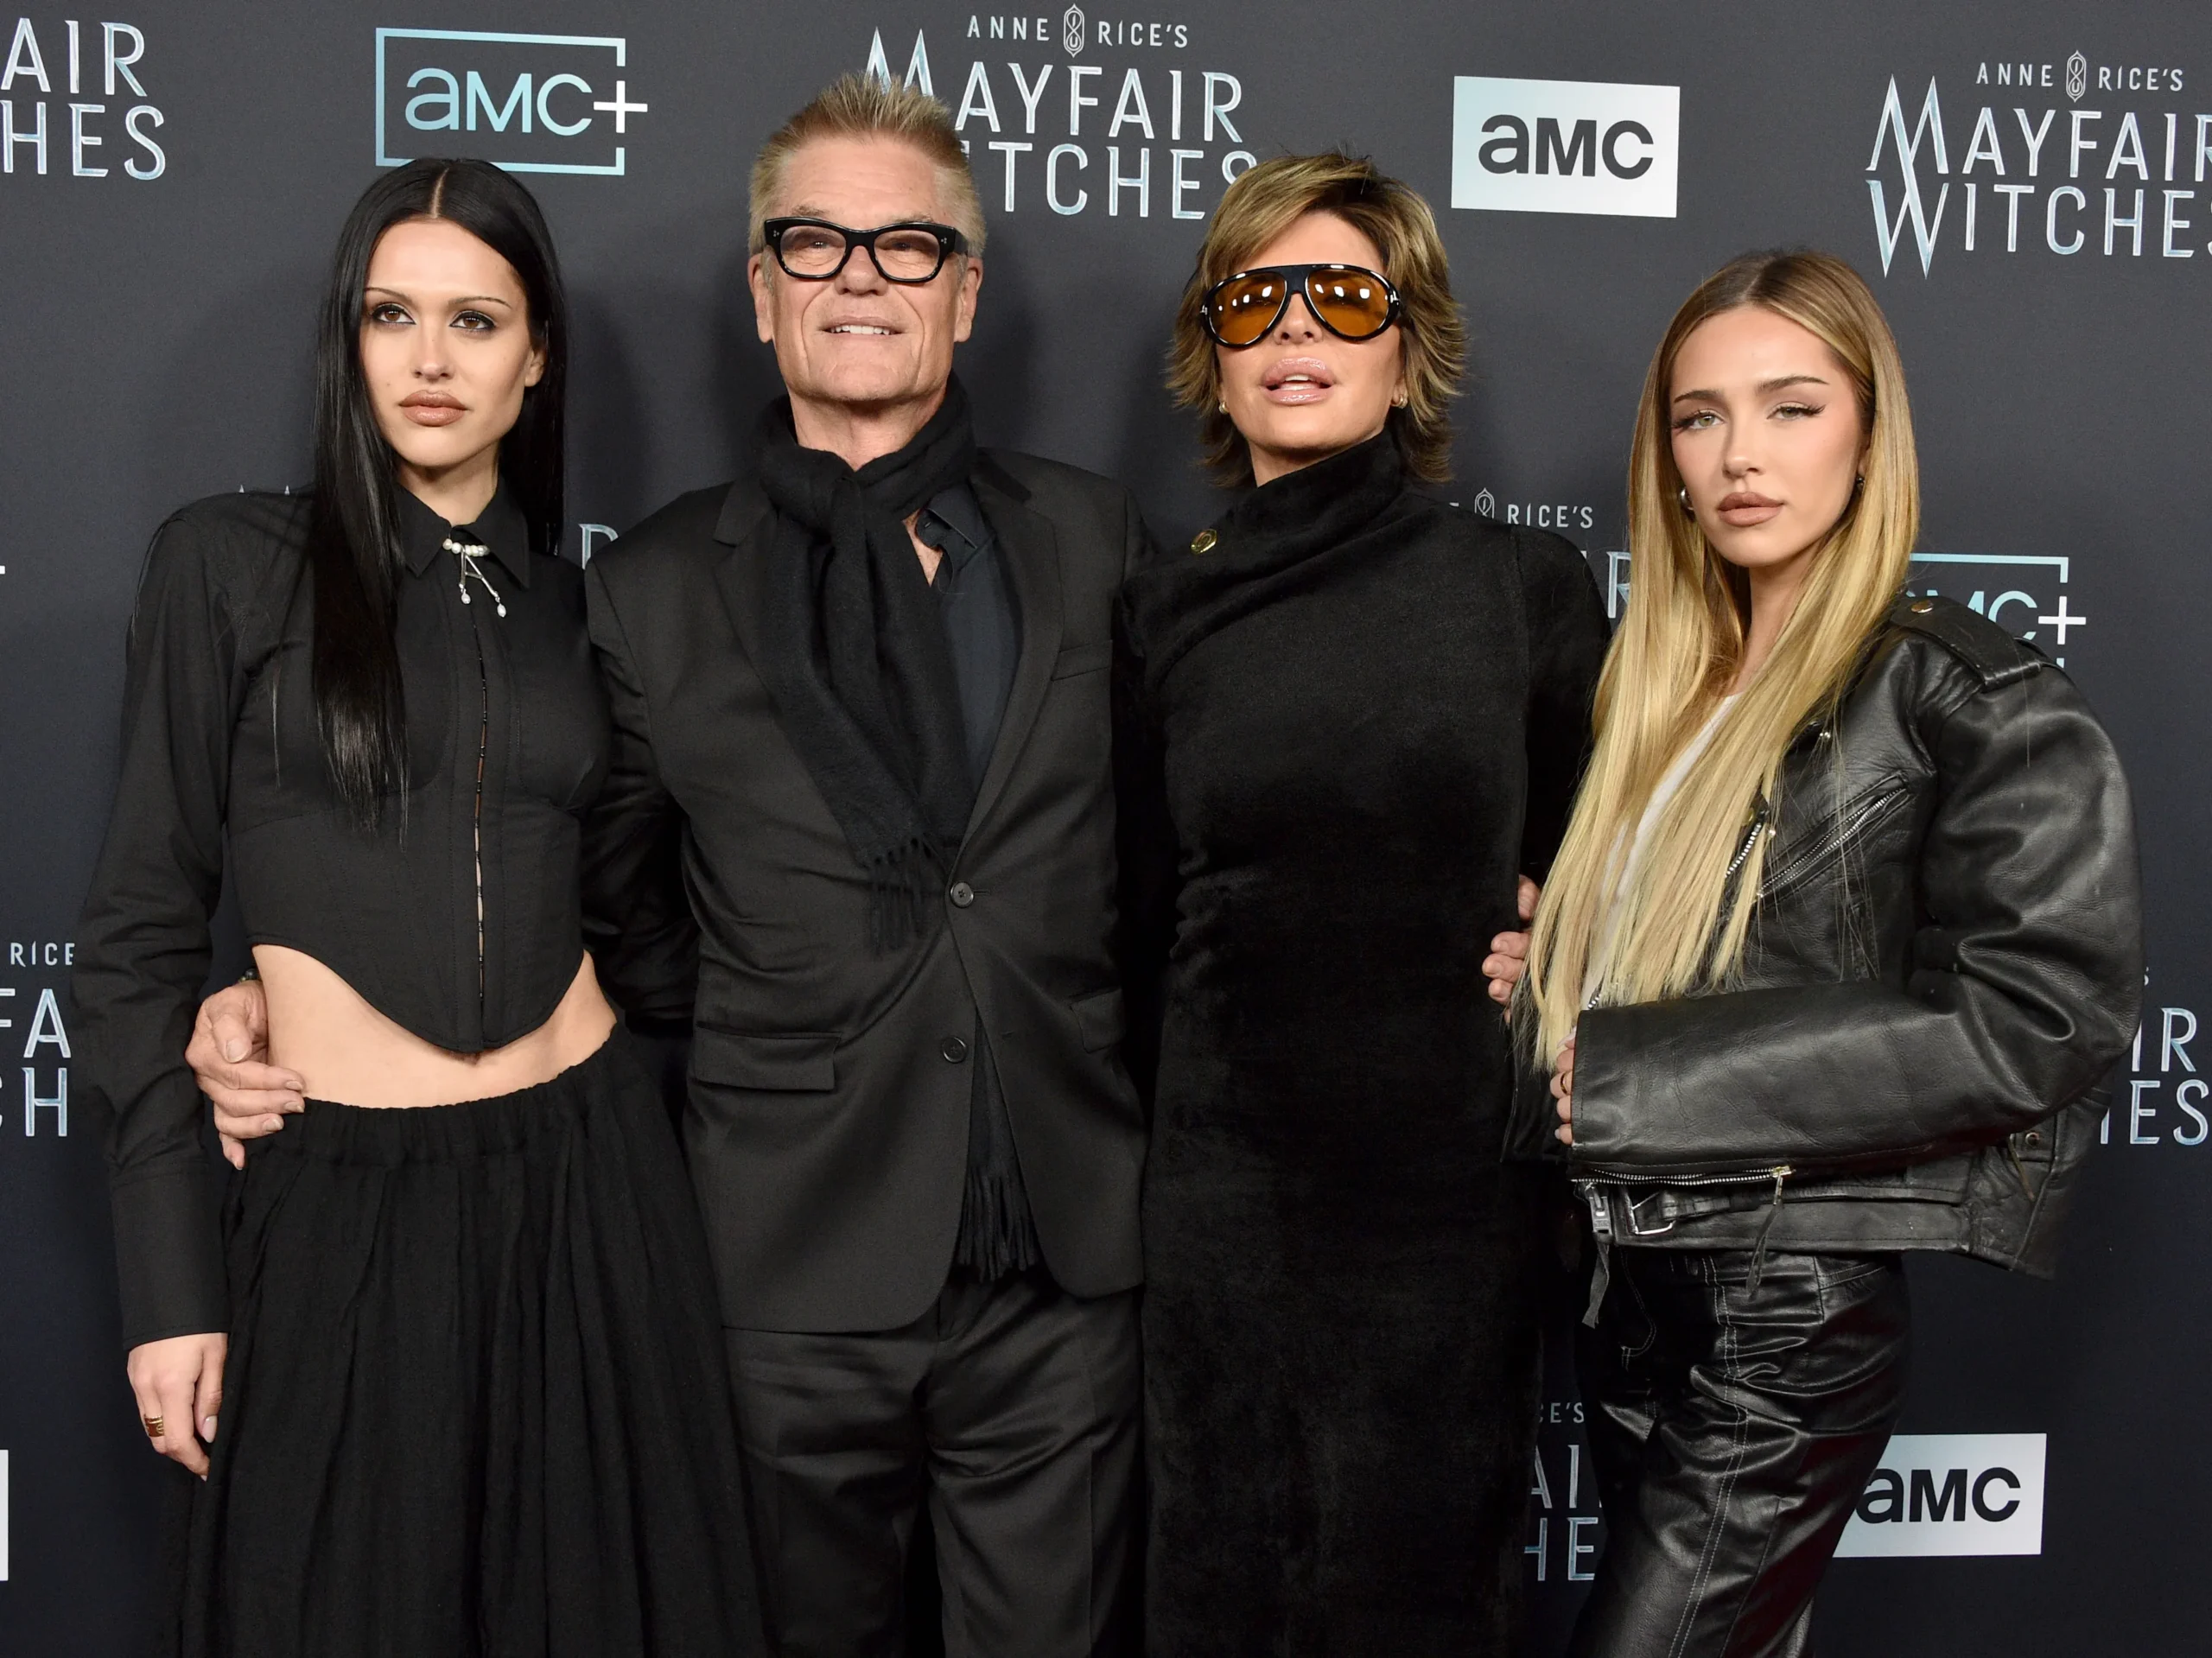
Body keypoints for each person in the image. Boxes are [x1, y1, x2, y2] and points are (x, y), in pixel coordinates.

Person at [74, 159, 760, 1655]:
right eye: (392, 315)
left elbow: (642, 906)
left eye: (476, 319)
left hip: (592, 1190)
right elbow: (136, 931)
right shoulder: (227, 565)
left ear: (538, 354)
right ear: (349, 337)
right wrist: (170, 1282)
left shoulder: (585, 609)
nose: (431, 359)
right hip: (336, 1199)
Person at [1497, 249, 2142, 1657]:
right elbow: (1709, 961)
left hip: (1784, 1314)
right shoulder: (1657, 694)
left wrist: (1636, 1076)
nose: (1741, 454)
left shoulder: (1962, 691)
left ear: (1868, 432)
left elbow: (2040, 1018)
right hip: (1628, 1289)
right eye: (1701, 415)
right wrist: (1552, 975)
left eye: (1791, 407)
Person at [1116, 153, 1610, 1655]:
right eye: (1253, 298)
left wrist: (1565, 948)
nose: (1294, 328)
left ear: (1409, 344)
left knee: (1426, 1598)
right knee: (1224, 1592)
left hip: (1449, 1211)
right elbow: (1134, 914)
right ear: (1213, 347)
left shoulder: (1520, 587)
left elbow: (1611, 868)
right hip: (1225, 1204)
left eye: (1341, 294)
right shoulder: (1159, 604)